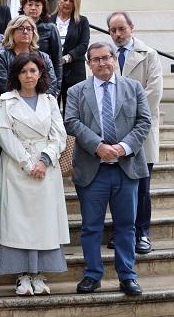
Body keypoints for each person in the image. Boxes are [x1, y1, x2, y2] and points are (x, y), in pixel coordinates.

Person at [64, 42, 151, 297]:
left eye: (106, 58)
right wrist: (98, 146)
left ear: (114, 59)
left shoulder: (133, 88)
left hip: (126, 168)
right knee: (91, 227)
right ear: (89, 64)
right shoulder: (77, 91)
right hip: (93, 170)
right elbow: (71, 121)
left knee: (126, 226)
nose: (102, 63)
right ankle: (92, 275)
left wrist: (123, 147)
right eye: (96, 60)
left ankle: (128, 276)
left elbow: (145, 121)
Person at [0, 52, 69, 296]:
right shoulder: (6, 100)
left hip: (46, 168)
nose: (28, 75)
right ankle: (21, 276)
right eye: (23, 71)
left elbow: (59, 135)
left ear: (40, 74)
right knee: (18, 223)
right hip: (17, 168)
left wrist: (44, 160)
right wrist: (28, 163)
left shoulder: (49, 100)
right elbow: (5, 134)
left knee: (43, 222)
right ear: (16, 74)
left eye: (33, 71)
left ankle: (38, 273)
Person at [108, 12, 163, 255]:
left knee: (142, 186)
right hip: (113, 134)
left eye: (121, 29)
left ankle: (142, 233)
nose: (117, 34)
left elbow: (154, 93)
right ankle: (122, 232)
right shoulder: (105, 56)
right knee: (118, 186)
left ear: (132, 27)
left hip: (141, 131)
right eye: (113, 31)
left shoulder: (149, 55)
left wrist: (130, 121)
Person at [0, 16, 58, 98]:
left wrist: (38, 101)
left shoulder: (44, 57)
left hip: (41, 105)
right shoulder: (1, 57)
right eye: (20, 28)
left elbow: (52, 84)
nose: (25, 31)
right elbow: (2, 86)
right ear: (11, 32)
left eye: (29, 29)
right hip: (12, 104)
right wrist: (25, 100)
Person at [50, 0, 90, 109]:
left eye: (72, 1)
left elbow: (84, 45)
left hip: (74, 71)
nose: (67, 3)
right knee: (52, 107)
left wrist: (67, 57)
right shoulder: (48, 20)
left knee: (73, 108)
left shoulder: (82, 21)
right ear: (59, 0)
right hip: (52, 71)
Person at [20, 0, 62, 94]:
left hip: (44, 78)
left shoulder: (51, 28)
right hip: (21, 77)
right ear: (23, 8)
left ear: (43, 8)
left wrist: (57, 87)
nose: (33, 8)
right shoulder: (15, 27)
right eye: (30, 5)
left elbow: (57, 60)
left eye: (37, 5)